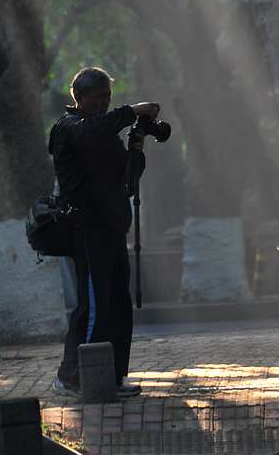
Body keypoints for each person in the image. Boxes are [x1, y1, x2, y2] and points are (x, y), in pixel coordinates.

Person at [50, 65, 160, 399]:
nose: (104, 103)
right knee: (94, 307)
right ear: (78, 98)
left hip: (113, 229)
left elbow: (127, 180)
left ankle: (112, 377)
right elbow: (91, 132)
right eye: (98, 98)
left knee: (117, 304)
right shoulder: (67, 128)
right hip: (88, 230)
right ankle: (73, 378)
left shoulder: (103, 133)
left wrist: (136, 148)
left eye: (108, 98)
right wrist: (132, 111)